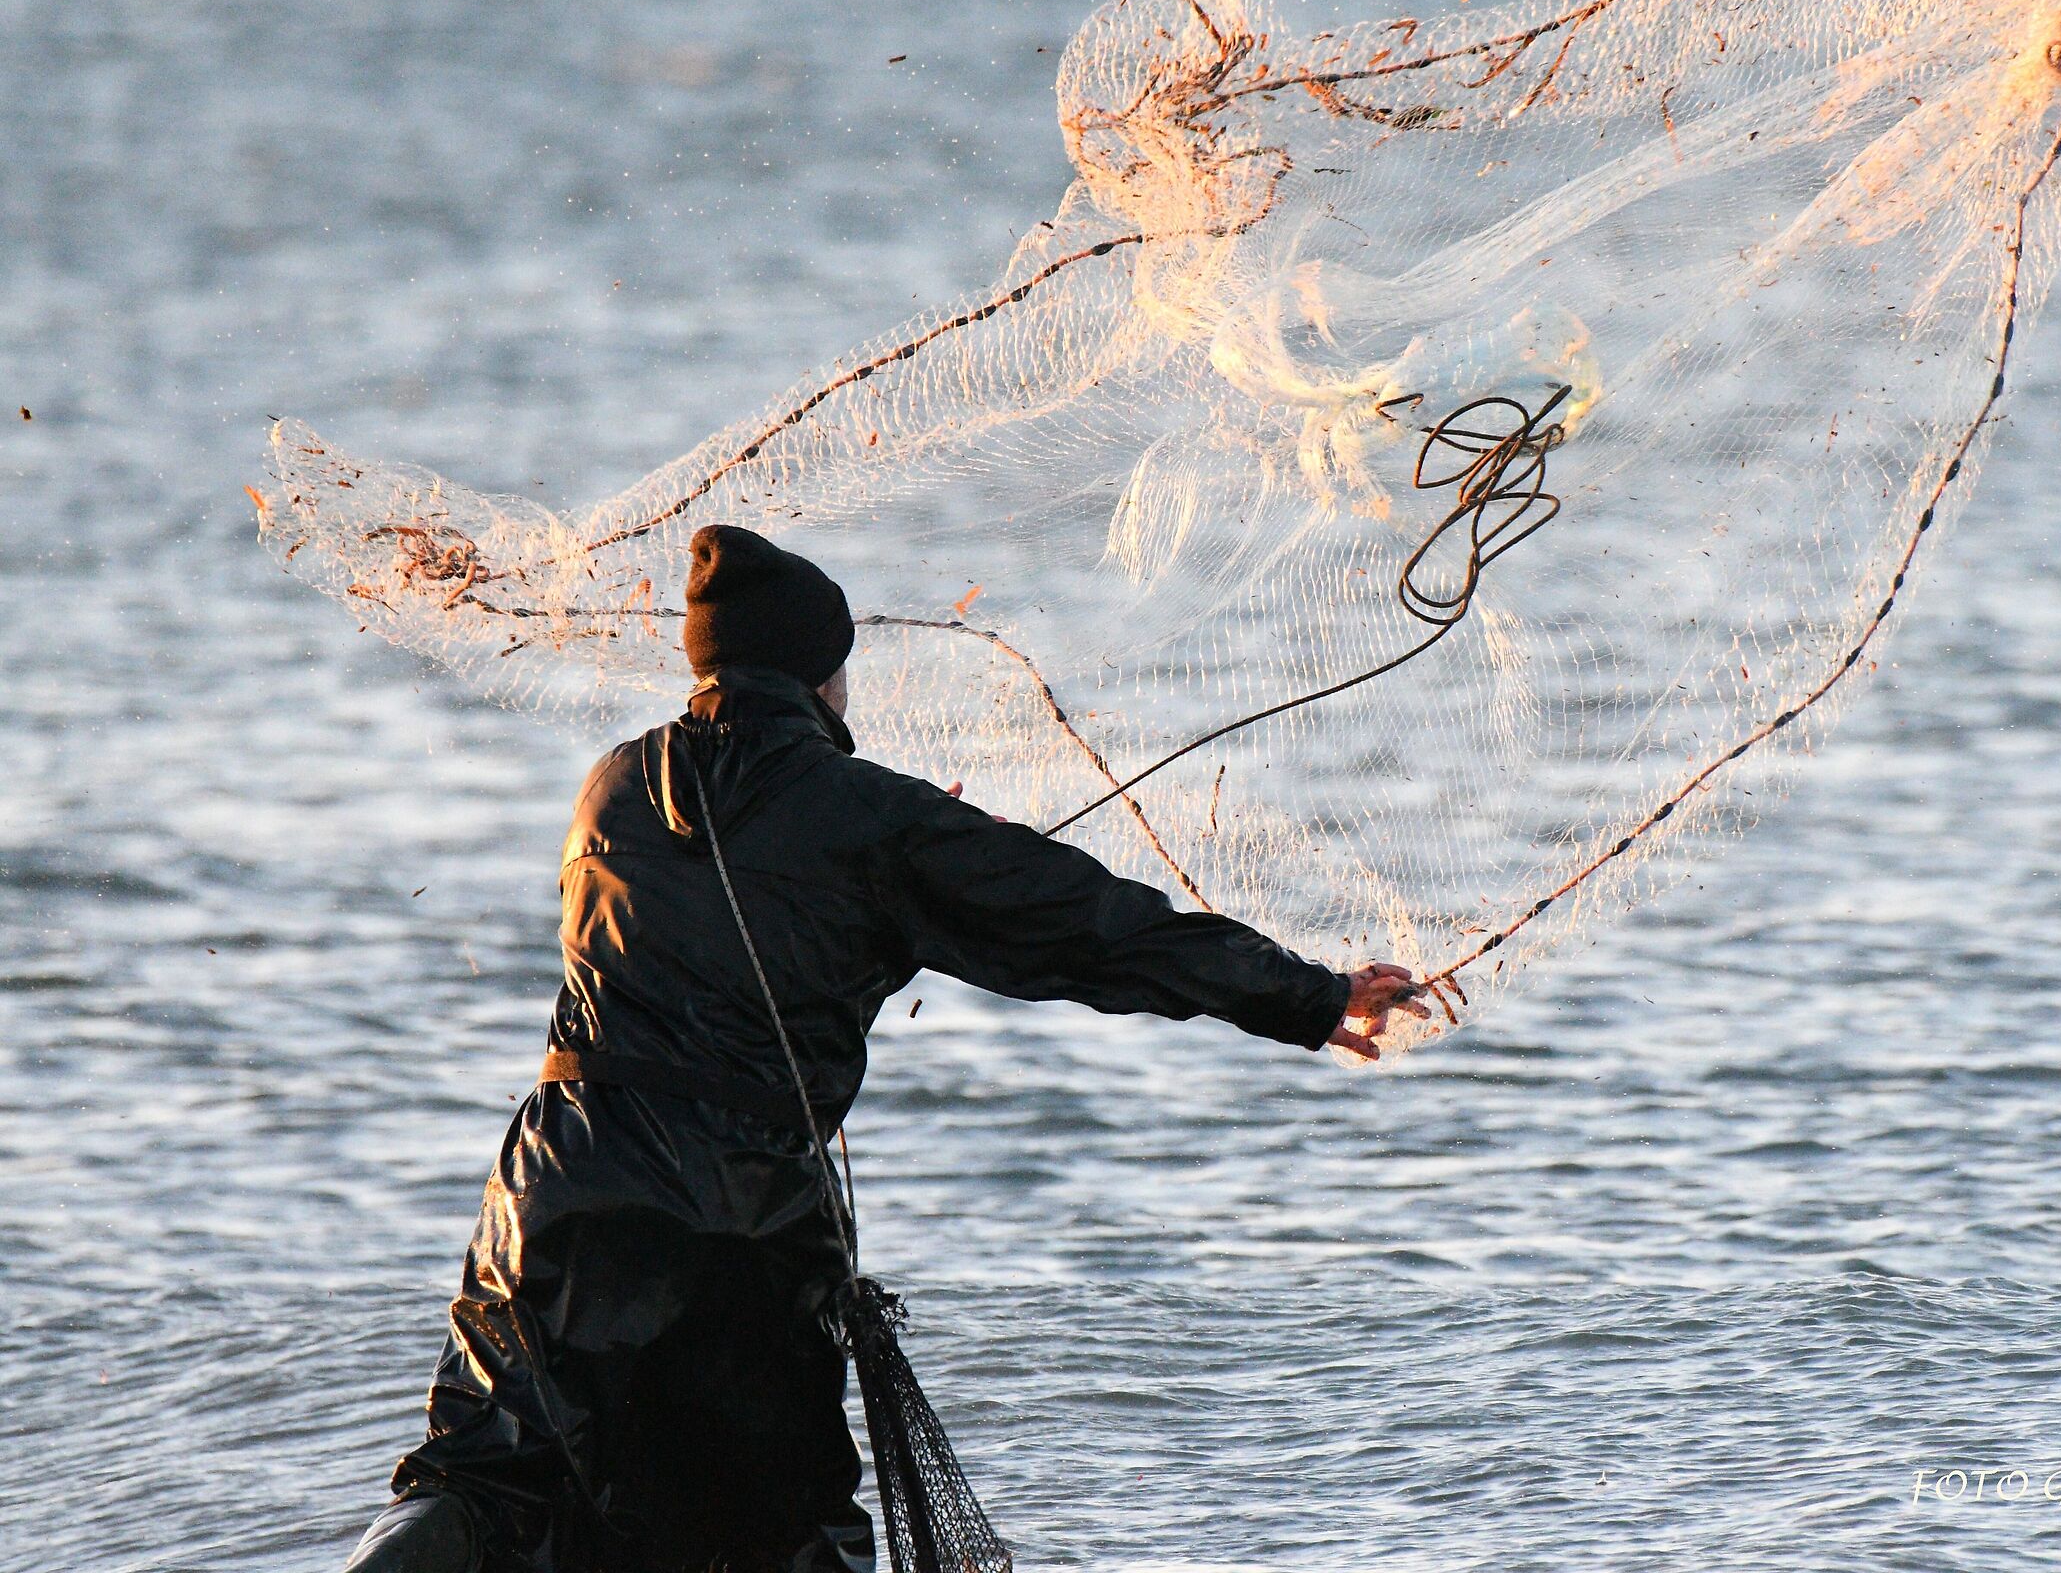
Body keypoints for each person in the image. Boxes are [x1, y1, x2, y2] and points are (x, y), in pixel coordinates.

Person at [344, 524, 1427, 1573]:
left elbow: (727, 939)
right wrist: (1308, 996)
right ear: (822, 676)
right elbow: (1087, 926)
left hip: (556, 1190)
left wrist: (900, 888)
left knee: (485, 1486)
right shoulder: (871, 816)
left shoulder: (611, 789)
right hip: (743, 1216)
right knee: (786, 1535)